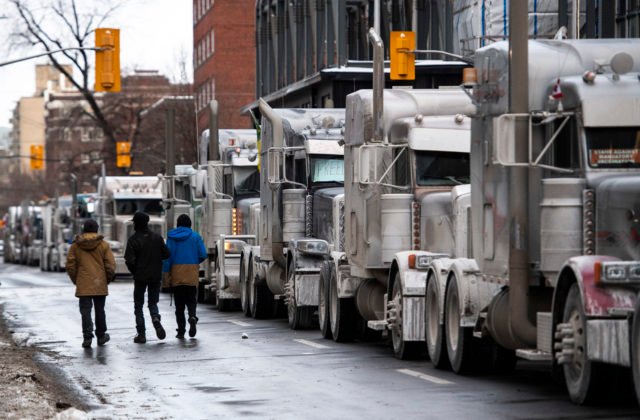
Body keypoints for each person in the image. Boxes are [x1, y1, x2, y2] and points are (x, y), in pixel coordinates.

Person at [66, 219, 116, 348]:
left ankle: (87, 337)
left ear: (83, 230)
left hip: (83, 282)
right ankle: (101, 335)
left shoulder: (76, 245)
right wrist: (107, 279)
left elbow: (70, 265)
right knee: (100, 310)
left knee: (85, 311)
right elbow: (110, 265)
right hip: (99, 282)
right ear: (97, 229)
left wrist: (76, 280)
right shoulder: (104, 245)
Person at [124, 212, 170, 344]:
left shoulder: (133, 240)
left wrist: (135, 271)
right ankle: (155, 317)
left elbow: (129, 260)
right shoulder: (157, 238)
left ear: (136, 224)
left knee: (138, 305)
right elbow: (166, 254)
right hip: (155, 276)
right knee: (152, 303)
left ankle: (141, 334)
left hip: (140, 277)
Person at [164, 214, 207, 339]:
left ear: (178, 224)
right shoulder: (195, 237)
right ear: (190, 224)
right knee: (191, 300)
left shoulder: (171, 238)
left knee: (179, 305)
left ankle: (181, 331)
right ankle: (192, 316)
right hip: (191, 272)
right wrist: (194, 262)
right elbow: (203, 254)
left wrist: (166, 276)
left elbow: (167, 258)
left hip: (176, 274)